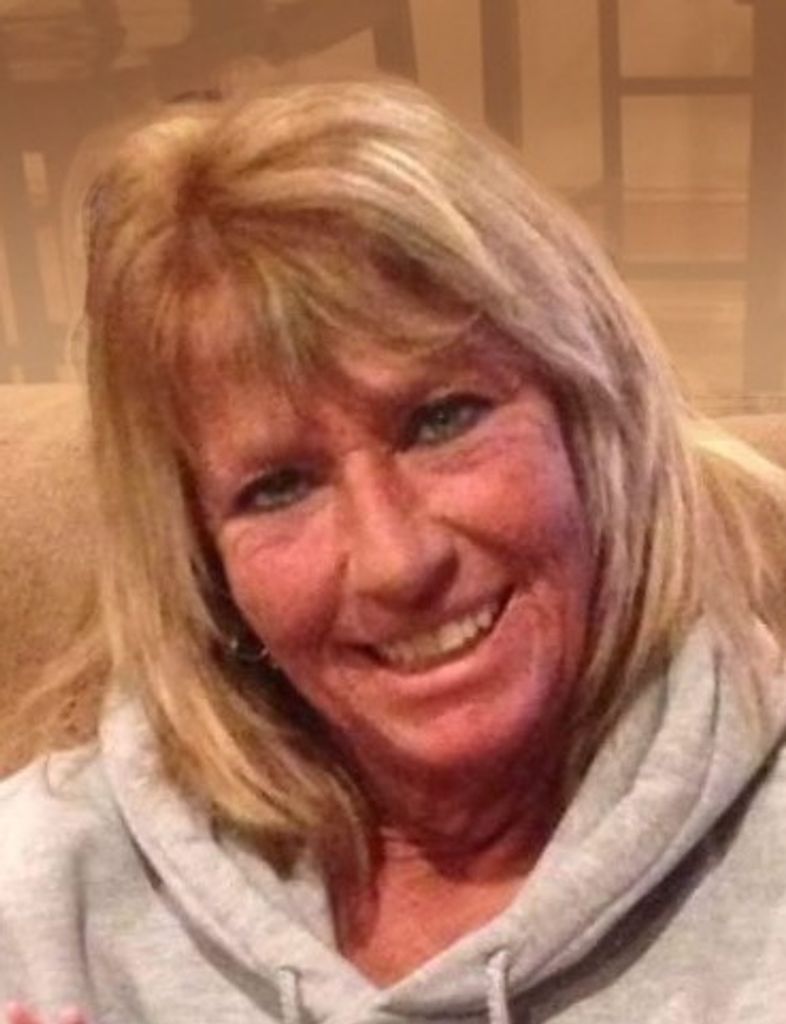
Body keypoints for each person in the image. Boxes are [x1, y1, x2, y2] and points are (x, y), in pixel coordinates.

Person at [3, 79, 786, 1024]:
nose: (396, 561)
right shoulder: (39, 893)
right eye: (278, 487)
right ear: (207, 569)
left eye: (443, 419)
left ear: (591, 421)